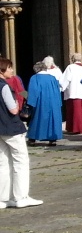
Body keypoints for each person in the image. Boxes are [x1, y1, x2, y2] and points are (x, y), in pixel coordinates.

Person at [0, 58, 40, 208]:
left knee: (3, 162)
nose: (12, 71)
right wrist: (26, 103)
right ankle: (21, 196)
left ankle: (3, 198)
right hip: (11, 121)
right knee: (20, 160)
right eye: (9, 68)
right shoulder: (13, 81)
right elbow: (21, 91)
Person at [26, 56, 62, 147]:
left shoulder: (34, 78)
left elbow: (33, 92)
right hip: (53, 102)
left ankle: (32, 138)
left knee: (37, 119)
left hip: (41, 102)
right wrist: (58, 103)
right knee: (52, 120)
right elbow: (57, 90)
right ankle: (52, 139)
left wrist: (30, 103)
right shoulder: (53, 78)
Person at [60, 52, 82, 135]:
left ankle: (74, 128)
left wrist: (61, 87)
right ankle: (81, 128)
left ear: (72, 59)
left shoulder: (70, 67)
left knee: (74, 111)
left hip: (73, 92)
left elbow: (65, 79)